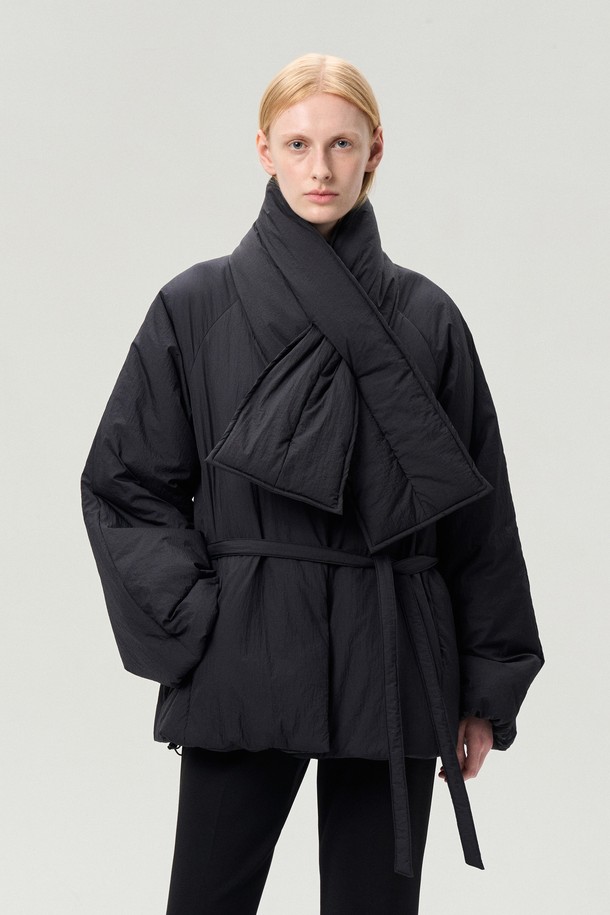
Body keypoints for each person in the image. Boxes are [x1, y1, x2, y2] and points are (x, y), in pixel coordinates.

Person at [81, 53, 544, 915]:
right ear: (264, 150)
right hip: (248, 649)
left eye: (341, 144)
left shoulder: (429, 319)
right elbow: (125, 483)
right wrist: (202, 622)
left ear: (376, 151)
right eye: (298, 144)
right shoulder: (196, 306)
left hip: (393, 657)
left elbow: (480, 520)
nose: (320, 167)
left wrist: (485, 690)